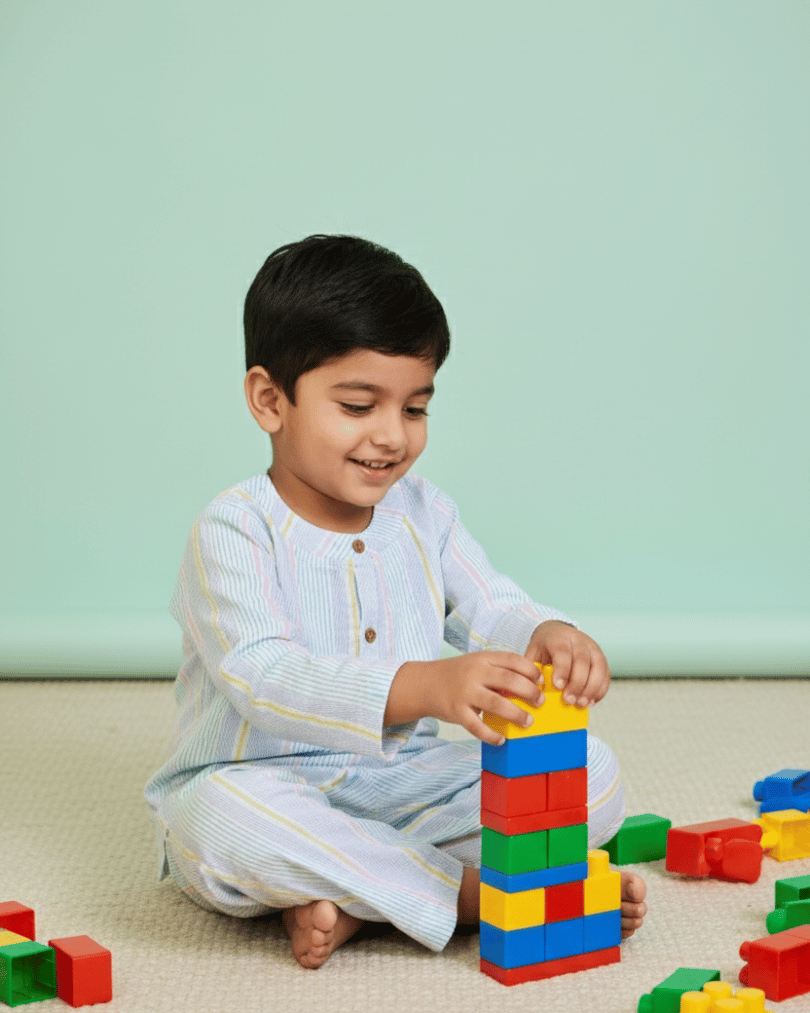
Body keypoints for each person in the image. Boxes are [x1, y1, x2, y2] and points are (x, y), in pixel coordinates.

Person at [144, 234, 646, 970]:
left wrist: (546, 630)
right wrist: (424, 686)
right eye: (357, 405)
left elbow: (491, 600)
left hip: (400, 785)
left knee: (590, 772)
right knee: (219, 825)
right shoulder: (235, 526)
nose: (391, 436)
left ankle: (362, 898)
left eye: (415, 407)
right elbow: (263, 674)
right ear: (269, 399)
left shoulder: (424, 512)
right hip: (258, 782)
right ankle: (466, 895)